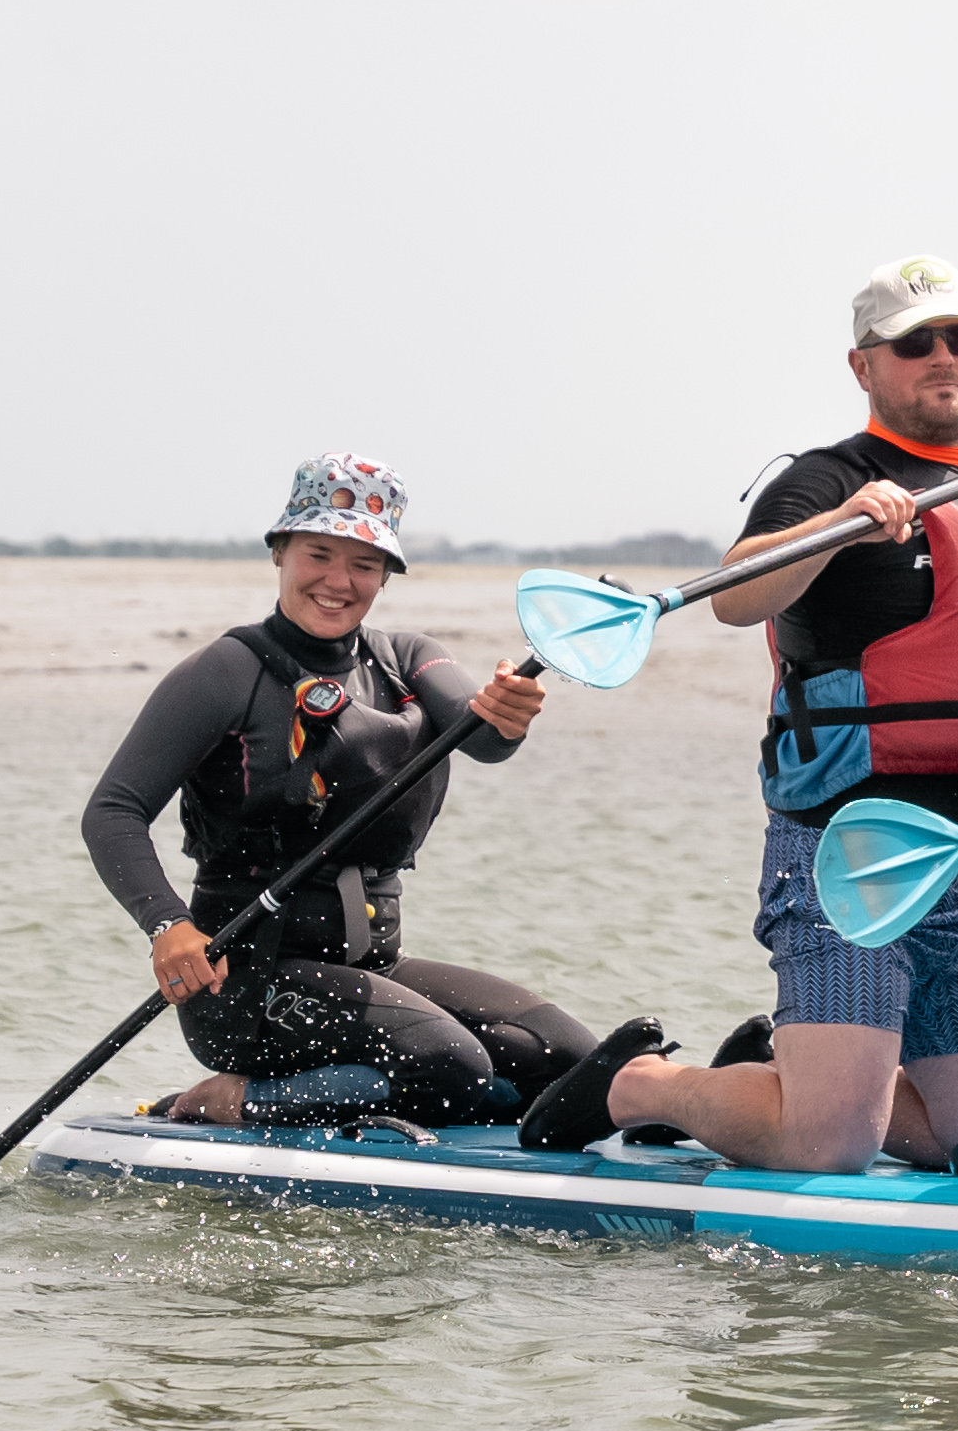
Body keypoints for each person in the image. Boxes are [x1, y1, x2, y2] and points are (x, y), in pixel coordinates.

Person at [581, 254, 958, 1173]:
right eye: (914, 343)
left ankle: (796, 1075)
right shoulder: (826, 478)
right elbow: (736, 601)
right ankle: (648, 1086)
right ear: (864, 366)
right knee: (829, 1150)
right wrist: (841, 521)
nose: (944, 358)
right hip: (844, 854)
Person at [82, 454, 595, 1130]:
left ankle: (473, 1098)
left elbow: (485, 738)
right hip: (244, 988)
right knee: (453, 1066)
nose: (338, 580)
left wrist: (508, 710)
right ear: (280, 552)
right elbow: (111, 813)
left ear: (385, 575)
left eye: (363, 564)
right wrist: (168, 926)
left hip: (372, 967)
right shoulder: (225, 671)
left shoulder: (409, 659)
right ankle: (234, 1099)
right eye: (318, 554)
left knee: (567, 1058)